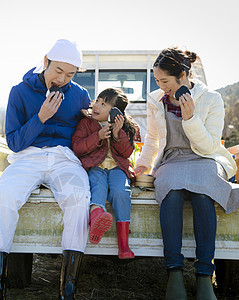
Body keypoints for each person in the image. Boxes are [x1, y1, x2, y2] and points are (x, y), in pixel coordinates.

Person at [0, 39, 91, 300]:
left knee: (79, 197)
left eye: (70, 74)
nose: (63, 79)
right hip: (28, 156)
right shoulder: (19, 92)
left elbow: (86, 132)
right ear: (45, 61)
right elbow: (14, 143)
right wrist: (41, 117)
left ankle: (68, 290)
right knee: (2, 196)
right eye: (58, 71)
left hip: (65, 158)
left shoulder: (79, 94)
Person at [134, 47, 239, 300]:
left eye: (165, 81)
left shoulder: (212, 98)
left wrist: (190, 118)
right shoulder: (155, 99)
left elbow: (210, 145)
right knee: (170, 192)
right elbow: (152, 138)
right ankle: (174, 272)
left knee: (203, 196)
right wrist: (142, 165)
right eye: (157, 81)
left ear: (183, 75)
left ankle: (204, 275)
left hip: (205, 158)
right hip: (173, 159)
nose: (161, 86)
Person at [72, 88, 139, 259]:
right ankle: (97, 219)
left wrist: (117, 134)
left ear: (116, 112)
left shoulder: (125, 127)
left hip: (117, 168)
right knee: (97, 186)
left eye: (104, 104)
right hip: (95, 166)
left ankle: (124, 246)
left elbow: (126, 153)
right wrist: (98, 136)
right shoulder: (85, 124)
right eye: (97, 101)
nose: (96, 106)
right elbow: (78, 148)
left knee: (121, 192)